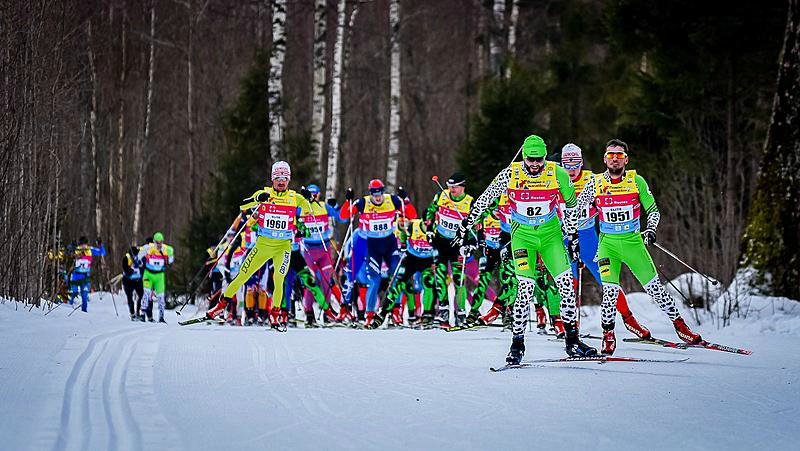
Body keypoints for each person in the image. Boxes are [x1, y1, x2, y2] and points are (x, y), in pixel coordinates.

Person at [454, 134, 597, 364]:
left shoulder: (556, 172)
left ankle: (572, 341)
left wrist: (572, 235)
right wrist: (466, 224)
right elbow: (484, 199)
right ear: (523, 157)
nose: (535, 165)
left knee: (566, 285)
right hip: (523, 237)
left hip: (550, 236)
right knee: (525, 288)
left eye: (539, 159)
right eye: (531, 160)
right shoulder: (510, 173)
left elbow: (572, 205)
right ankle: (517, 344)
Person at [571, 139, 702, 354]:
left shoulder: (636, 181)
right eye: (611, 154)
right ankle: (608, 335)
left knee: (655, 289)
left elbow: (653, 210)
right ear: (605, 159)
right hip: (607, 245)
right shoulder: (594, 183)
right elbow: (575, 209)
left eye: (619, 155)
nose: (615, 158)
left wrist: (650, 229)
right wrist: (575, 231)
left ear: (626, 159)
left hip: (633, 243)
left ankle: (681, 328)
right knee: (610, 292)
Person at [203, 161, 312, 332]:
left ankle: (275, 314)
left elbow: (310, 210)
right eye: (277, 177)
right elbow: (243, 205)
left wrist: (307, 197)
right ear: (272, 178)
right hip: (262, 246)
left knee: (279, 280)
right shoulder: (265, 193)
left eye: (284, 178)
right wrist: (256, 199)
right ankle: (220, 306)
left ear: (289, 179)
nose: (281, 181)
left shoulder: (294, 197)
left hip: (283, 248)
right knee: (241, 276)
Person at [559, 143, 652, 340]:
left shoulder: (593, 180)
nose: (571, 168)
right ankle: (568, 325)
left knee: (607, 281)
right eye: (567, 163)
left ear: (582, 162)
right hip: (564, 239)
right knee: (568, 283)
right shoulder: (556, 180)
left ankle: (629, 320)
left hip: (587, 238)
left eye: (575, 163)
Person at [339, 179, 417, 328]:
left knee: (397, 278)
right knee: (374, 281)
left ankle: (395, 311)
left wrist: (405, 200)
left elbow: (412, 215)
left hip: (390, 244)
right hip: (373, 246)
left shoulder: (392, 200)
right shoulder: (363, 203)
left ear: (383, 191)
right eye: (374, 194)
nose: (378, 197)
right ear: (370, 193)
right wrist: (347, 201)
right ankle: (369, 315)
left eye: (380, 193)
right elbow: (344, 216)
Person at [424, 172, 476, 326]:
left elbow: (475, 225)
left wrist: (472, 242)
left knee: (459, 279)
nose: (451, 189)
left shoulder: (469, 202)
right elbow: (430, 212)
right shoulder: (441, 196)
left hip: (457, 244)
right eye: (449, 186)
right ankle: (444, 310)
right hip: (440, 242)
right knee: (440, 277)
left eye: (455, 187)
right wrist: (428, 229)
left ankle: (460, 312)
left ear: (462, 186)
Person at [465, 201, 517, 329]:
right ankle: (473, 312)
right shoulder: (486, 215)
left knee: (507, 279)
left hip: (504, 250)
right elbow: (476, 222)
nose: (499, 214)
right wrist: (479, 239)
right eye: (496, 211)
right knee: (483, 281)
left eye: (501, 211)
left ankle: (508, 312)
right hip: (490, 253)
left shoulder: (508, 217)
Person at [299, 184, 346, 325]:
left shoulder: (324, 207)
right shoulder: (302, 208)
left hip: (324, 250)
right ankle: (309, 315)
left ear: (320, 195)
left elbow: (342, 218)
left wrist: (336, 206)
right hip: (308, 251)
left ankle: (327, 314)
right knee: (310, 283)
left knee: (327, 282)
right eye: (311, 194)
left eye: (316, 194)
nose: (314, 197)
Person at [385, 217, 437, 328]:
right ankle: (393, 313)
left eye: (405, 222)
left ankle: (415, 315)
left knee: (414, 288)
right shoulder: (393, 229)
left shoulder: (412, 228)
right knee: (398, 286)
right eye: (400, 222)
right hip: (399, 262)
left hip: (413, 260)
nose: (403, 224)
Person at [138, 232, 175, 323]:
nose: (159, 244)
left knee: (161, 297)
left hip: (159, 276)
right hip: (148, 274)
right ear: (154, 242)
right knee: (146, 293)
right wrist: (141, 260)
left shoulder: (167, 249)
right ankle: (142, 314)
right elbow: (138, 256)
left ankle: (161, 317)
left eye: (161, 242)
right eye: (157, 242)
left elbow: (171, 259)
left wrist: (168, 260)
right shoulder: (148, 248)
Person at [69, 236, 106, 312]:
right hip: (76, 275)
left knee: (84, 295)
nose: (83, 246)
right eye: (81, 245)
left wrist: (100, 244)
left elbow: (102, 253)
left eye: (84, 244)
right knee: (74, 292)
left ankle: (84, 311)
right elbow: (68, 252)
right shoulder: (76, 250)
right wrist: (71, 246)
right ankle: (68, 308)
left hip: (85, 276)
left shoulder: (90, 250)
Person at [122, 244, 144, 321]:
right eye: (136, 253)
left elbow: (143, 268)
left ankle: (138, 312)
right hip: (128, 281)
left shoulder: (139, 259)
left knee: (141, 295)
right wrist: (131, 269)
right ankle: (132, 314)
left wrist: (140, 269)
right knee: (130, 298)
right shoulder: (126, 258)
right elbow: (126, 270)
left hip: (137, 281)